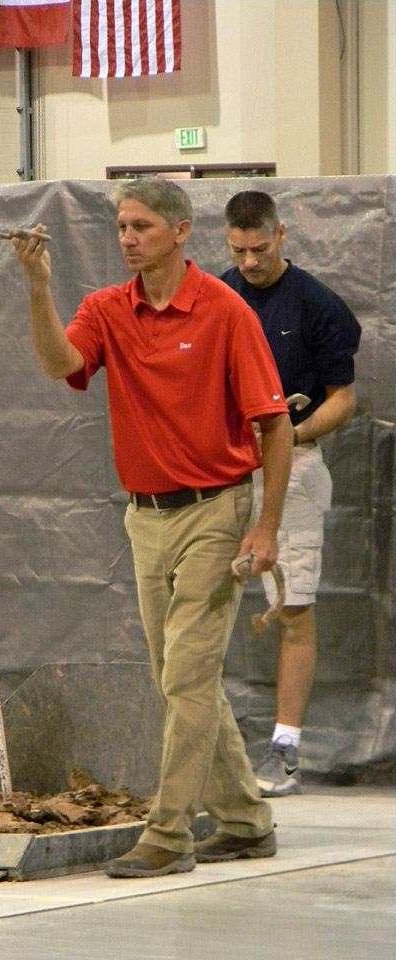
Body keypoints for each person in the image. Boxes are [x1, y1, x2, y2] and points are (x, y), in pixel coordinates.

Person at [11, 178, 293, 878]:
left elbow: (275, 423)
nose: (127, 238)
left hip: (216, 510)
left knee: (189, 677)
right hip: (147, 516)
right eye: (121, 227)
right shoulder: (106, 309)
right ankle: (246, 820)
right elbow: (59, 364)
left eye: (140, 226)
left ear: (178, 231)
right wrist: (38, 289)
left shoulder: (226, 311)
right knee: (178, 677)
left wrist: (267, 527)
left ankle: (168, 834)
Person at [222, 190, 361, 797]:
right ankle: (200, 746)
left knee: (294, 607)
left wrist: (288, 436)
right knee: (192, 605)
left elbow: (344, 398)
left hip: (294, 465)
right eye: (238, 250)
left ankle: (285, 748)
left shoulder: (317, 306)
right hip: (215, 468)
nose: (249, 262)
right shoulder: (215, 295)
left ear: (281, 235)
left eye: (259, 248)